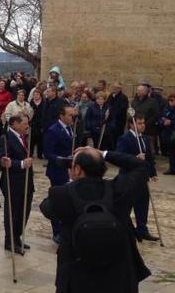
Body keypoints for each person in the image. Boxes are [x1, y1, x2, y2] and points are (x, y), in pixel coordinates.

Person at [39, 147, 151, 293]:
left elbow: (45, 208)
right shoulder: (120, 189)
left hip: (77, 277)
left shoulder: (62, 194)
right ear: (103, 170)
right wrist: (104, 153)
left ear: (77, 169)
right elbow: (141, 165)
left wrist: (71, 183)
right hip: (118, 275)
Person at [115, 113, 159, 241]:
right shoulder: (125, 138)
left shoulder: (145, 139)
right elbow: (119, 157)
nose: (142, 126)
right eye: (139, 123)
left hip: (142, 178)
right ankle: (125, 230)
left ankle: (142, 230)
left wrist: (153, 173)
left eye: (143, 123)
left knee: (143, 204)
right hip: (128, 177)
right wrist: (135, 158)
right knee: (127, 206)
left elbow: (149, 158)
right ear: (131, 124)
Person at [0, 114, 34, 255]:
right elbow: (2, 161)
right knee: (13, 213)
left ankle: (17, 237)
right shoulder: (5, 139)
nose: (27, 126)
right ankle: (9, 240)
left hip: (26, 182)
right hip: (13, 183)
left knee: (24, 212)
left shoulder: (23, 137)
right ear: (14, 124)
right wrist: (22, 164)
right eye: (24, 123)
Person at [44, 104, 77, 243]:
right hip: (58, 171)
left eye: (73, 115)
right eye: (69, 115)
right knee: (58, 202)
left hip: (71, 170)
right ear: (61, 116)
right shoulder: (53, 130)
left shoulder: (72, 128)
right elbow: (48, 153)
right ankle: (57, 231)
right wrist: (61, 160)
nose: (72, 118)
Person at [158, 94, 175, 175]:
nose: (170, 102)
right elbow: (161, 118)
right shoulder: (167, 108)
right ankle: (172, 168)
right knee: (171, 153)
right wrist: (163, 122)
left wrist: (171, 122)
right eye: (169, 100)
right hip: (168, 134)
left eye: (172, 100)